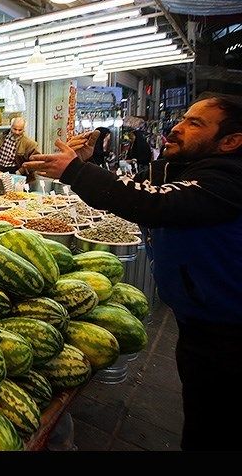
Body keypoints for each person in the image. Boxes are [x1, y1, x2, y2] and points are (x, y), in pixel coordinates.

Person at [22, 92, 242, 451]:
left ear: (231, 141)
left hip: (230, 334)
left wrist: (76, 171)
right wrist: (88, 164)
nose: (177, 127)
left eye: (195, 123)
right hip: (203, 322)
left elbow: (156, 203)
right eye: (183, 118)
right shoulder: (193, 171)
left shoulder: (230, 180)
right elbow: (142, 188)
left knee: (217, 429)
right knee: (203, 418)